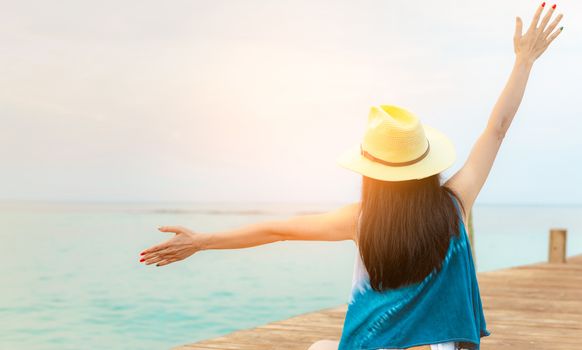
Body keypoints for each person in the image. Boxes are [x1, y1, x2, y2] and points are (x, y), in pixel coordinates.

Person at [138, 3, 564, 350]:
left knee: (320, 349)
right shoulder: (455, 203)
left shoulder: (360, 219)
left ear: (371, 172)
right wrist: (524, 61)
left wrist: (201, 241)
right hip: (443, 348)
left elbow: (276, 230)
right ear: (425, 163)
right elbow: (498, 129)